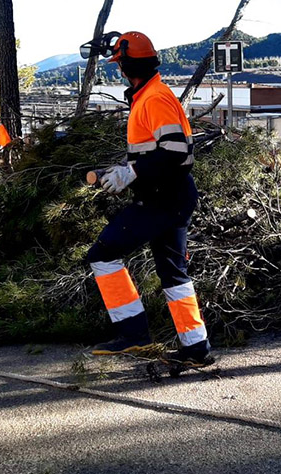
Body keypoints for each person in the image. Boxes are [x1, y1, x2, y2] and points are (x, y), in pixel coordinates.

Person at [79, 30, 213, 368]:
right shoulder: (149, 94)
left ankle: (133, 334)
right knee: (174, 274)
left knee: (103, 254)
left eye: (119, 64)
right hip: (171, 195)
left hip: (163, 199)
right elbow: (158, 152)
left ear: (125, 65)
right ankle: (196, 348)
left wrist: (132, 173)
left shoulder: (153, 98)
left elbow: (177, 151)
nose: (118, 70)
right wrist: (127, 169)